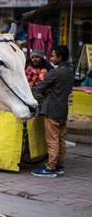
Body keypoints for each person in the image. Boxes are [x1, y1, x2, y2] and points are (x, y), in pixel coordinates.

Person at [31, 46, 74, 178]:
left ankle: (50, 167)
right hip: (63, 110)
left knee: (52, 140)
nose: (51, 58)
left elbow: (39, 87)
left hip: (52, 110)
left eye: (54, 56)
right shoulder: (69, 71)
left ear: (60, 58)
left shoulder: (55, 72)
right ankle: (59, 165)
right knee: (61, 139)